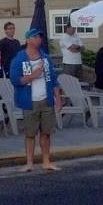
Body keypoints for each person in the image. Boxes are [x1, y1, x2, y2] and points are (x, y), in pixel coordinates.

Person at [10, 29, 63, 173]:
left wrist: (58, 98)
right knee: (30, 134)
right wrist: (32, 76)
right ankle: (29, 163)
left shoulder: (46, 58)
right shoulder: (19, 59)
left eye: (40, 37)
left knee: (46, 133)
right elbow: (15, 80)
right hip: (29, 101)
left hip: (46, 100)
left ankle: (46, 161)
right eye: (35, 37)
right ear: (28, 40)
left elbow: (54, 79)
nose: (39, 39)